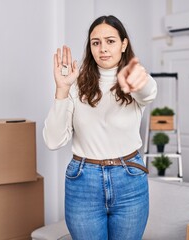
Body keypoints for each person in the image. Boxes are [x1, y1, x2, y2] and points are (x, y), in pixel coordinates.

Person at [43, 15, 157, 240]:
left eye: (110, 41)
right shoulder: (75, 86)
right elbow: (53, 141)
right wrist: (62, 89)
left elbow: (149, 91)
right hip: (83, 181)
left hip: (129, 179)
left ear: (123, 44)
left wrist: (133, 80)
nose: (103, 48)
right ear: (90, 47)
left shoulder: (135, 80)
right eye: (96, 42)